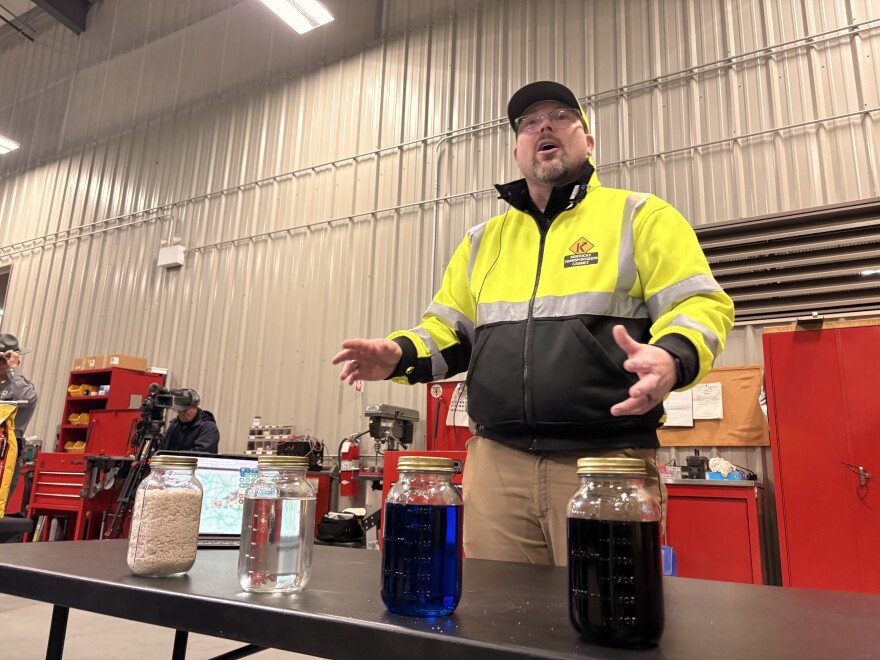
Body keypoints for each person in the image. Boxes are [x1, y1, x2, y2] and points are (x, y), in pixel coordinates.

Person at [332, 81, 734, 566]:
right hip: (497, 467)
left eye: (561, 116)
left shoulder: (640, 216)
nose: (544, 125)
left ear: (587, 142)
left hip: (604, 464)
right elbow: (448, 333)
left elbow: (700, 304)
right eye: (528, 122)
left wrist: (672, 356)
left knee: (608, 624)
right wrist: (399, 354)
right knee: (500, 624)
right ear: (518, 152)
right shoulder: (484, 241)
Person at [0, 333, 39, 517]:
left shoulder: (20, 386)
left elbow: (28, 399)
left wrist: (13, 370)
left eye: (3, 360)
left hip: (6, 452)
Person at [160, 389, 220, 454]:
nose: (181, 414)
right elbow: (162, 448)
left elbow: (202, 452)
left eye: (184, 410)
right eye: (179, 411)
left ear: (195, 407)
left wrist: (173, 458)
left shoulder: (208, 427)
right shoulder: (174, 424)